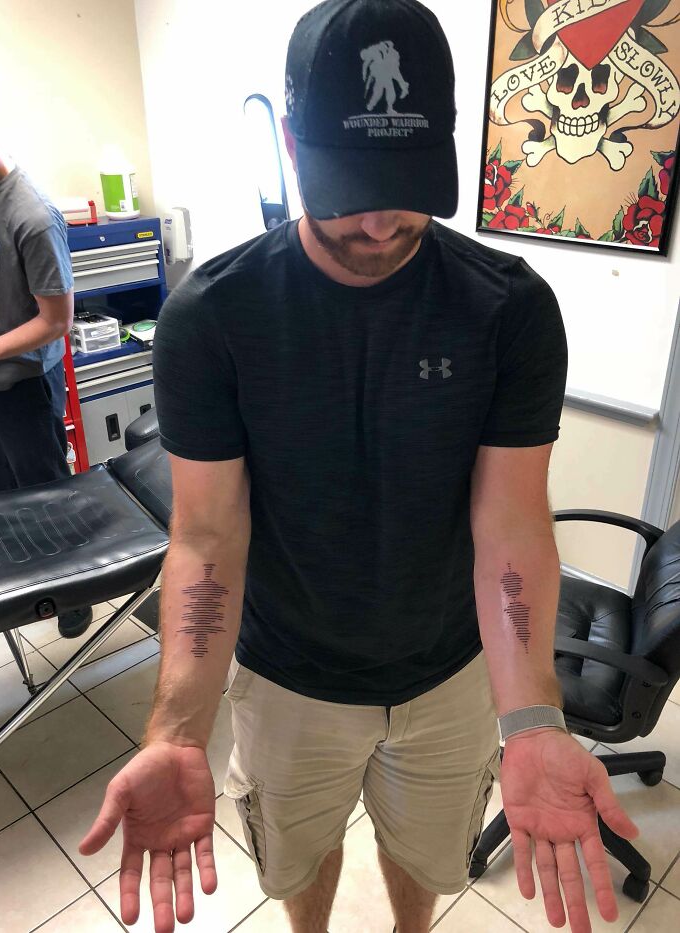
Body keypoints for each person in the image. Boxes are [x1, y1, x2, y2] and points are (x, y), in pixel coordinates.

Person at [80, 2, 639, 932]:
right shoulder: (214, 319)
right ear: (294, 149)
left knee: (422, 855)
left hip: (452, 670)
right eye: (350, 185)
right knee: (302, 859)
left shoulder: (509, 311)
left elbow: (510, 521)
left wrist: (533, 717)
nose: (380, 221)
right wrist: (178, 727)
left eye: (408, 183)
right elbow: (210, 535)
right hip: (288, 674)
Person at [0, 98, 92, 638]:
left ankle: (74, 593)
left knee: (45, 492)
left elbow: (56, 321)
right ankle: (24, 583)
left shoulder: (31, 214)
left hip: (24, 384)